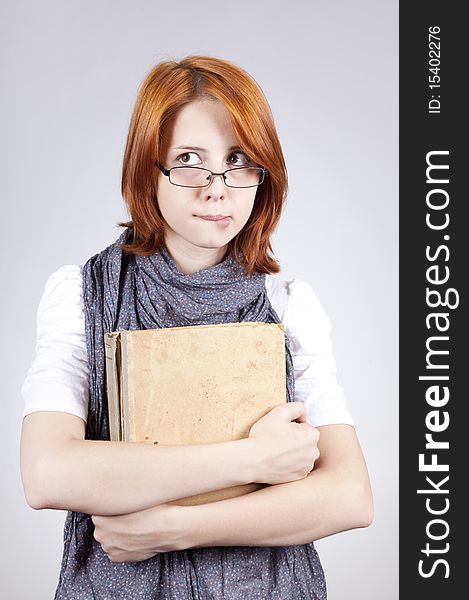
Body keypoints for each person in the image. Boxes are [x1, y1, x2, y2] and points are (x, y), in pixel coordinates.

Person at [20, 55, 373, 600]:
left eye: (239, 161)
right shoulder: (82, 294)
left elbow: (349, 496)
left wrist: (173, 529)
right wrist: (255, 459)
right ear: (147, 167)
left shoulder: (288, 306)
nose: (217, 188)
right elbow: (48, 474)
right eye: (188, 160)